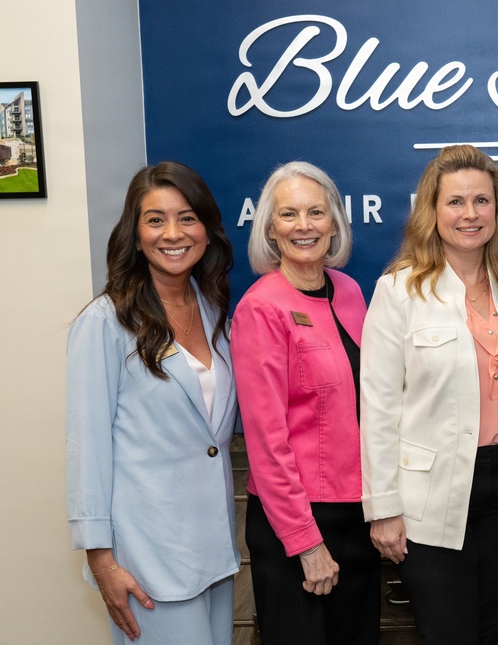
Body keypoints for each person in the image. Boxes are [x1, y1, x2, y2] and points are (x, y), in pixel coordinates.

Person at [361, 144, 498, 644]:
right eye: (455, 202)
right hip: (430, 502)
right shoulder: (399, 291)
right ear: (431, 212)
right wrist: (383, 509)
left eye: (482, 201)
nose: (469, 214)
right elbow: (376, 407)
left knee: (483, 633)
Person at [66, 162, 239, 644]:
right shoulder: (105, 323)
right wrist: (101, 560)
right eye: (155, 219)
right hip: (146, 557)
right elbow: (88, 445)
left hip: (212, 548)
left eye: (187, 218)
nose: (173, 233)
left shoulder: (213, 309)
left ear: (206, 229)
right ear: (134, 233)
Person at [230, 162, 379, 643]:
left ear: (334, 222)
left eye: (316, 212)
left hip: (358, 512)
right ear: (270, 228)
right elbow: (266, 442)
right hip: (298, 521)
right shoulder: (260, 308)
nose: (304, 225)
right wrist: (306, 543)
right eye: (288, 214)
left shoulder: (351, 291)